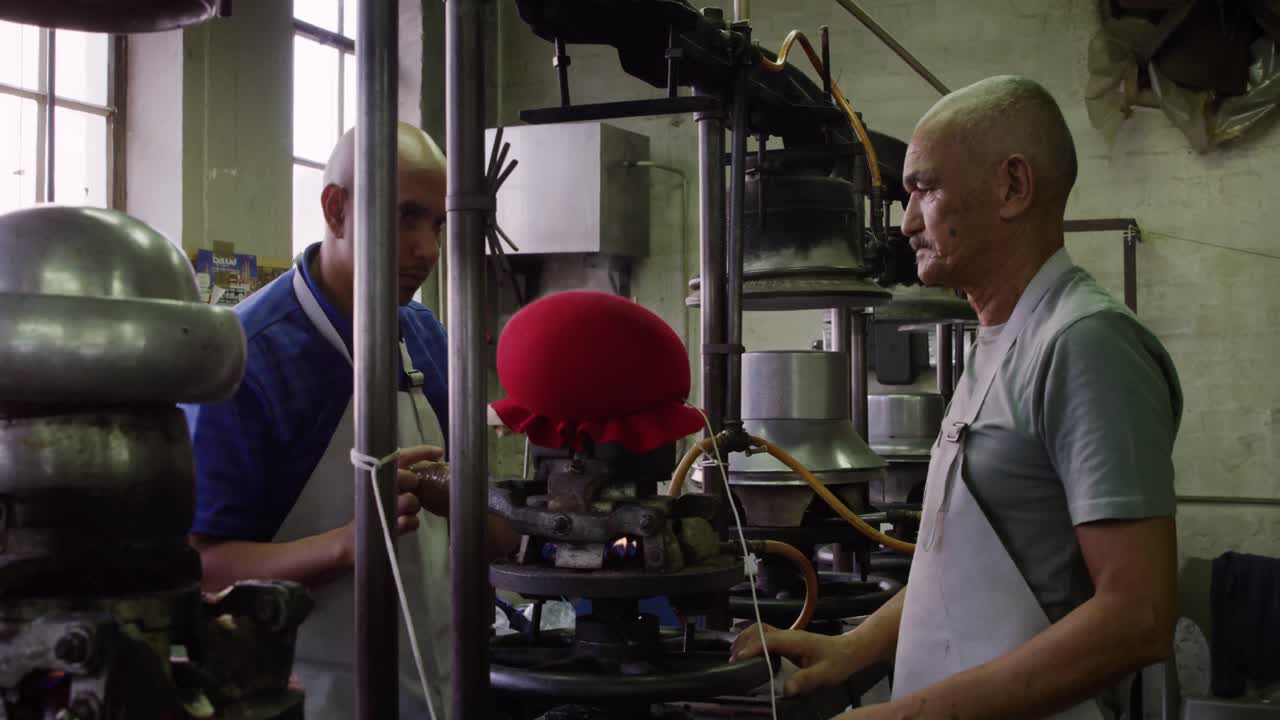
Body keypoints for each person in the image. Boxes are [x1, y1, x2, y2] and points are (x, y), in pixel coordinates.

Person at [732, 75, 1182, 720]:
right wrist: (852, 649)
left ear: (1013, 187)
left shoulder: (1084, 343)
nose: (909, 221)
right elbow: (963, 565)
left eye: (925, 189)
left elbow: (1137, 617)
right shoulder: (1003, 337)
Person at [182, 122, 517, 720]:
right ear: (335, 210)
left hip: (440, 689)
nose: (428, 250)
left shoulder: (427, 338)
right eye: (405, 218)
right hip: (310, 698)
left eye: (437, 225)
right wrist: (345, 544)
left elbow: (483, 526)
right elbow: (198, 570)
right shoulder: (243, 360)